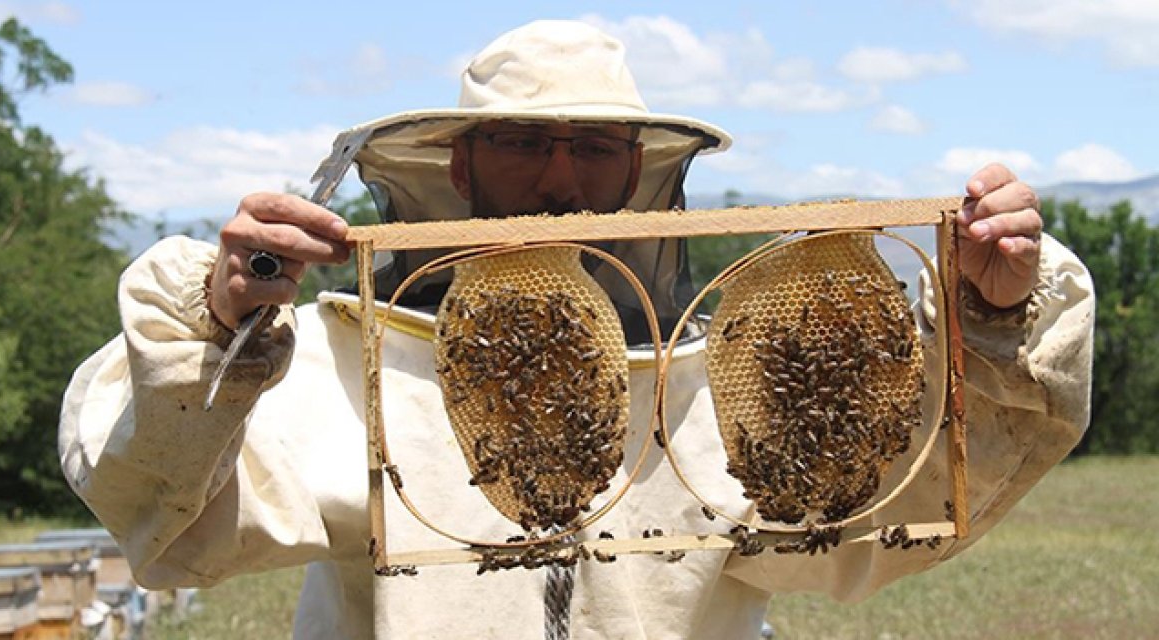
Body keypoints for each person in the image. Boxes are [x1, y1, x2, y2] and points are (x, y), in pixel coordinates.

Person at [59, 20, 1094, 639]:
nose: (559, 180)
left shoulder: (710, 387)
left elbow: (864, 530)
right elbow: (165, 518)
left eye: (591, 147)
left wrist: (992, 315)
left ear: (637, 172)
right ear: (459, 169)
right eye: (520, 144)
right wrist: (215, 323)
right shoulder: (356, 366)